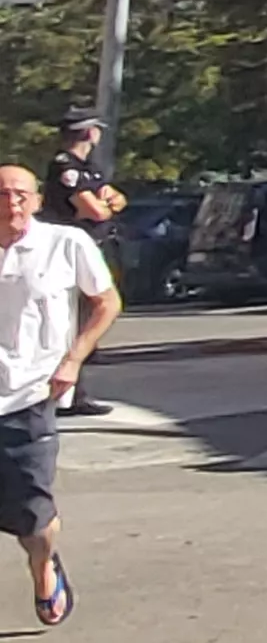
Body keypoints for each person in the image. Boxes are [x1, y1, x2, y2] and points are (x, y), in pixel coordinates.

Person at [0, 165, 118, 625]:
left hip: (30, 394)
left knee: (32, 516)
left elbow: (107, 303)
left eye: (20, 194)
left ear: (35, 199)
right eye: (2, 194)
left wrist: (72, 361)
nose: (12, 203)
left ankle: (42, 564)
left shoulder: (66, 244)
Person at [40, 125, 117, 419]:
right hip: (70, 252)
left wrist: (108, 203)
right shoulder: (66, 166)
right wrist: (106, 207)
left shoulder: (89, 168)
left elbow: (117, 198)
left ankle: (75, 393)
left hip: (93, 247)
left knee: (87, 318)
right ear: (89, 133)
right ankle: (68, 395)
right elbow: (93, 211)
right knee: (73, 321)